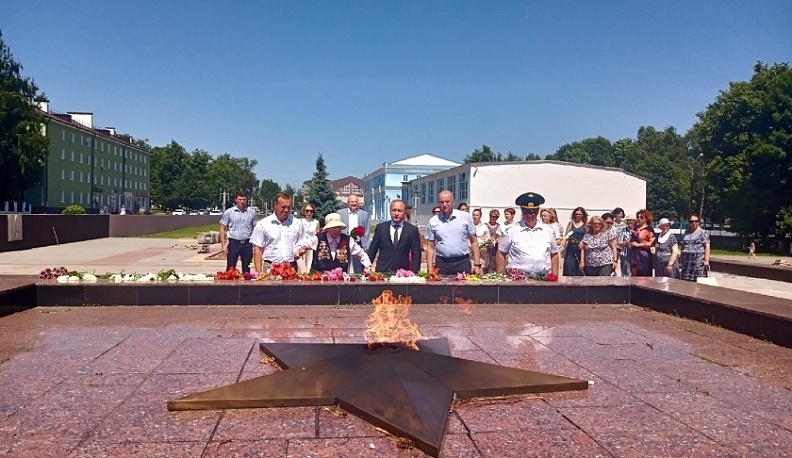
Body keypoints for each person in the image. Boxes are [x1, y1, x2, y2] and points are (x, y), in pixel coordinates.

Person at [496, 192, 559, 277]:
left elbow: (554, 255)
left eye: (533, 212)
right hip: (517, 280)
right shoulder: (511, 231)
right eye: (527, 212)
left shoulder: (548, 231)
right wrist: (501, 277)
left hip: (543, 280)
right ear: (522, 211)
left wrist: (554, 278)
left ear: (537, 212)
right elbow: (501, 253)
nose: (530, 215)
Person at [425, 191, 482, 276]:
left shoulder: (465, 217)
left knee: (465, 289)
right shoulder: (433, 221)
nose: (444, 204)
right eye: (441, 202)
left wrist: (477, 264)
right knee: (441, 289)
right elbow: (430, 247)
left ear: (453, 202)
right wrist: (429, 268)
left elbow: (474, 242)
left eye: (447, 201)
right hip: (442, 263)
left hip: (462, 262)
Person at [295, 213, 372, 274]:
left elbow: (361, 253)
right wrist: (298, 251)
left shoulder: (347, 240)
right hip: (319, 281)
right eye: (334, 227)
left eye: (338, 227)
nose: (337, 230)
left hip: (340, 282)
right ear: (328, 229)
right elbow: (301, 244)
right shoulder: (318, 238)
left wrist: (367, 265)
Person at [251, 192, 306, 273]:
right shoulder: (263, 224)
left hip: (291, 267)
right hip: (270, 267)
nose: (286, 210)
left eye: (289, 207)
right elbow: (257, 250)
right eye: (283, 207)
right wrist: (258, 273)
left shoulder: (298, 223)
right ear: (275, 205)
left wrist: (300, 250)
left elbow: (302, 243)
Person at [367, 199, 421, 273]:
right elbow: (373, 249)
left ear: (405, 212)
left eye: (400, 211)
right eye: (394, 210)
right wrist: (367, 265)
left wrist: (415, 272)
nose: (396, 213)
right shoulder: (381, 228)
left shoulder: (412, 230)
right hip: (383, 270)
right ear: (390, 211)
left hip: (403, 272)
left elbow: (416, 253)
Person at [219, 190, 258, 273]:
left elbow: (256, 228)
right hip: (234, 243)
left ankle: (246, 285)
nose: (242, 201)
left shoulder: (252, 212)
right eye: (240, 199)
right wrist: (223, 245)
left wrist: (256, 245)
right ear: (236, 200)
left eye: (244, 199)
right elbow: (222, 228)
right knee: (230, 268)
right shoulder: (229, 212)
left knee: (247, 269)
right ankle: (229, 285)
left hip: (247, 244)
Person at [339, 195, 369, 274]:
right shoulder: (340, 213)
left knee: (358, 267)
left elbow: (367, 230)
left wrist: (366, 245)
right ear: (348, 203)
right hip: (344, 243)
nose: (354, 203)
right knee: (344, 265)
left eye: (356, 202)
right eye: (352, 202)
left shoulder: (364, 214)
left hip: (358, 243)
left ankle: (357, 279)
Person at [679, 212, 710, 281]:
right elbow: (683, 245)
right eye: (691, 221)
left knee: (698, 280)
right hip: (686, 261)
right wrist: (681, 257)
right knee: (686, 280)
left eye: (696, 221)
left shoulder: (703, 232)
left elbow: (707, 245)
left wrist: (706, 260)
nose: (694, 223)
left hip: (698, 261)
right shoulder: (686, 232)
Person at [562, 207, 588, 276]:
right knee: (569, 267)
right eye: (576, 214)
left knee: (580, 269)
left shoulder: (586, 225)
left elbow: (588, 236)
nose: (578, 215)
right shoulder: (570, 224)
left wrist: (582, 242)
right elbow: (566, 235)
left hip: (581, 249)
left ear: (583, 215)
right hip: (571, 249)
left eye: (580, 214)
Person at [630, 209, 656, 276]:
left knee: (644, 276)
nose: (639, 219)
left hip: (644, 255)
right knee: (634, 275)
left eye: (641, 217)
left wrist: (639, 245)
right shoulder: (635, 229)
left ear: (646, 219)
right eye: (638, 217)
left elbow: (651, 243)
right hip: (634, 255)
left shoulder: (649, 229)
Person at [296, 202, 320, 274]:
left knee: (309, 269)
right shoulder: (299, 221)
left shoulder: (316, 222)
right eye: (307, 211)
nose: (309, 213)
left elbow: (318, 235)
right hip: (301, 247)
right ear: (304, 211)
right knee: (301, 270)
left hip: (311, 248)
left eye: (311, 211)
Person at [485, 209, 503, 273]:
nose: (492, 218)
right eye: (491, 216)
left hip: (495, 249)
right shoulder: (485, 225)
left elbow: (500, 236)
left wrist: (497, 240)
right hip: (486, 249)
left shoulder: (499, 226)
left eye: (494, 217)